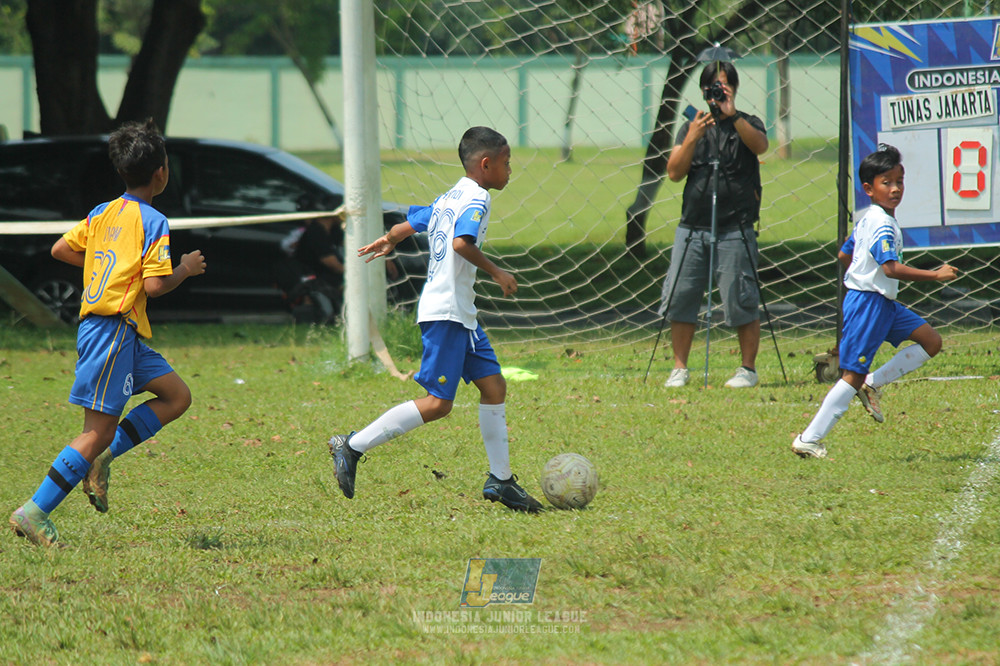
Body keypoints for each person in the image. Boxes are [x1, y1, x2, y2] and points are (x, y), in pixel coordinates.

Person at [8, 119, 207, 546]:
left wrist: (108, 266)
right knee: (95, 430)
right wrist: (185, 270)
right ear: (162, 172)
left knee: (177, 396)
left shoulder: (103, 212)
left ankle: (104, 457)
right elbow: (154, 285)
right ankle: (34, 511)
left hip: (124, 333)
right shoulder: (153, 221)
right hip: (110, 332)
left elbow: (61, 248)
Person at [327, 126, 543, 513]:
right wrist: (497, 273)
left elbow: (416, 221)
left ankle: (502, 481)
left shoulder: (451, 195)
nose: (510, 171)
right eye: (507, 164)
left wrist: (390, 238)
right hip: (446, 314)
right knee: (438, 404)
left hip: (462, 315)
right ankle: (353, 445)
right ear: (486, 164)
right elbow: (462, 242)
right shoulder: (476, 198)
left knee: (493, 387)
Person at [792, 144, 958, 459]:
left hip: (882, 303)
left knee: (930, 341)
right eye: (887, 182)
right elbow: (890, 268)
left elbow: (845, 253)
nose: (895, 188)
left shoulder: (871, 217)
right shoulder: (881, 224)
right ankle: (809, 439)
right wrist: (934, 275)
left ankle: (873, 383)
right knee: (850, 375)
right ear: (869, 188)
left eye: (899, 181)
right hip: (869, 304)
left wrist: (859, 274)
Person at [659, 60, 769, 389]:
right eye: (713, 89)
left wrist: (732, 115)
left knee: (741, 297)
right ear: (703, 91)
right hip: (693, 225)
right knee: (682, 296)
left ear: (733, 89)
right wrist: (694, 134)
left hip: (736, 226)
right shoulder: (692, 127)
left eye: (724, 87)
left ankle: (747, 369)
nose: (718, 94)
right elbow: (674, 172)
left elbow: (761, 145)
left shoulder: (747, 122)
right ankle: (680, 368)